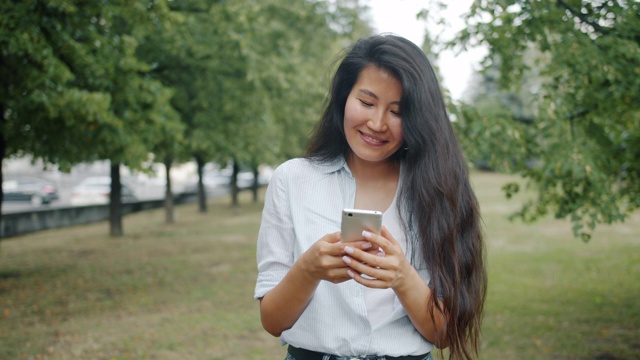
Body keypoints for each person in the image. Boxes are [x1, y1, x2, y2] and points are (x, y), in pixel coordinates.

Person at [254, 34, 487, 360]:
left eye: (397, 111)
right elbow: (273, 321)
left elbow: (444, 334)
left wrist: (403, 277)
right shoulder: (292, 180)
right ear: (342, 98)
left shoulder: (438, 191)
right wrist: (308, 269)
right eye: (366, 102)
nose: (377, 123)